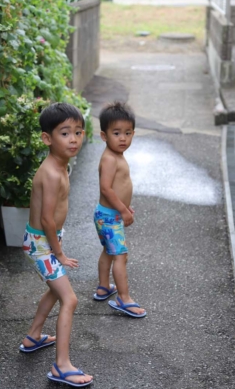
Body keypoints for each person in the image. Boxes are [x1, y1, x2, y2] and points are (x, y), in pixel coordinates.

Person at [21, 103, 94, 387]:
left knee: (55, 291)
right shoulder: (51, 173)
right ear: (47, 138)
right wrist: (59, 253)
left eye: (78, 132)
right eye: (65, 133)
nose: (73, 139)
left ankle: (33, 336)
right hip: (42, 244)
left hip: (47, 241)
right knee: (70, 299)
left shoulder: (61, 164)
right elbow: (46, 219)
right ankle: (61, 366)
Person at [93, 102, 146, 318]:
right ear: (104, 136)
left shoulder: (117, 156)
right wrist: (123, 211)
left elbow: (118, 187)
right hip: (109, 217)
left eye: (127, 133)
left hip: (108, 214)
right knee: (120, 255)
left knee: (108, 251)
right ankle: (124, 298)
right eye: (116, 133)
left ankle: (104, 287)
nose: (123, 138)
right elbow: (106, 188)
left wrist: (124, 207)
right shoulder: (109, 159)